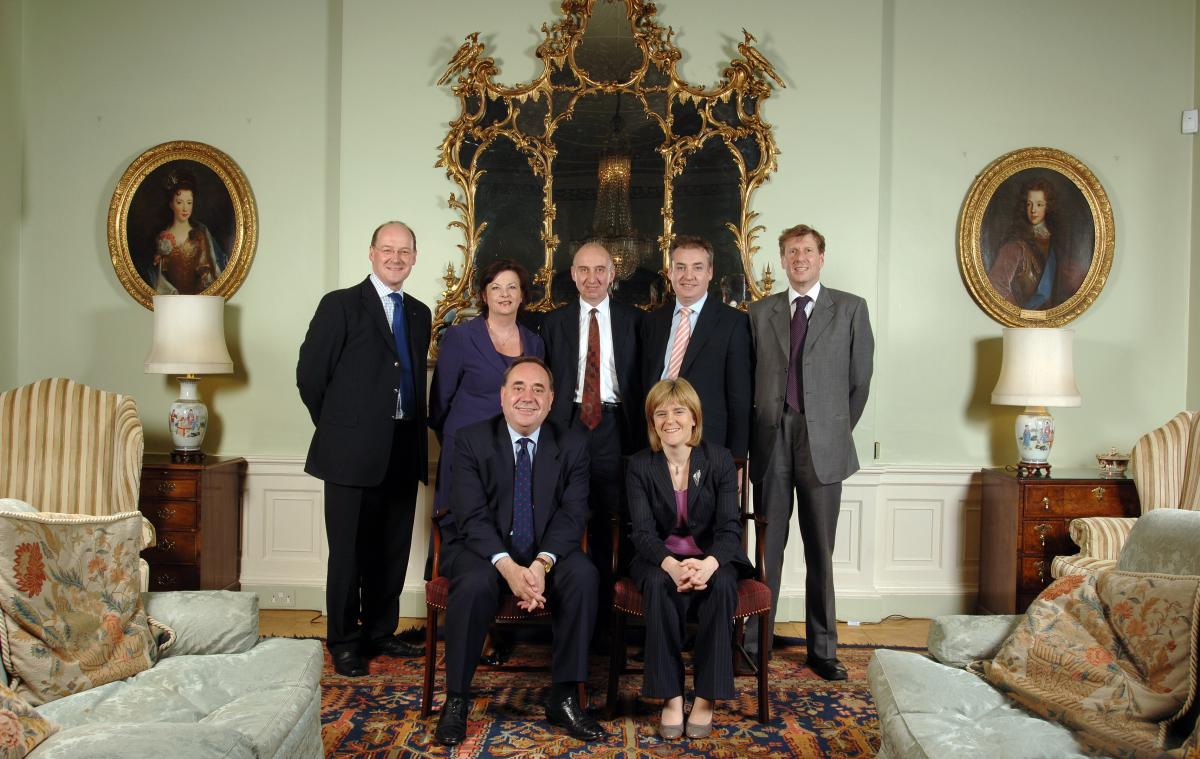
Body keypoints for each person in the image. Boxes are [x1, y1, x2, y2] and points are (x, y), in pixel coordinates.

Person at [434, 357, 603, 746]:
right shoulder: (471, 439)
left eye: (538, 389)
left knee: (583, 576)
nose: (528, 397)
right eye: (519, 388)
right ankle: (457, 699)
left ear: (551, 400)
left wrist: (542, 563)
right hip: (482, 550)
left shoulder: (573, 442)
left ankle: (563, 697)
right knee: (475, 584)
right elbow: (471, 515)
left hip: (546, 551)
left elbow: (573, 512)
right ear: (503, 395)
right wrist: (508, 567)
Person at [296, 221, 430, 678]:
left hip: (403, 445)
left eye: (405, 251)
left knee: (391, 550)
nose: (396, 258)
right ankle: (345, 641)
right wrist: (339, 428)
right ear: (371, 253)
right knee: (349, 553)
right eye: (388, 249)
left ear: (414, 257)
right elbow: (310, 377)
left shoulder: (419, 313)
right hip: (350, 451)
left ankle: (380, 631)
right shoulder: (340, 306)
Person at [746, 224, 873, 680]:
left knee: (821, 550)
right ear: (781, 260)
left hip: (824, 442)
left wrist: (831, 430)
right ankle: (753, 646)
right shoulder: (759, 312)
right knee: (768, 550)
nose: (799, 258)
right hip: (771, 438)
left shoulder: (851, 309)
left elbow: (859, 383)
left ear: (821, 257)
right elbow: (749, 379)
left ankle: (823, 650)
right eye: (791, 252)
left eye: (807, 251)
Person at [625, 378, 752, 740]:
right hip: (659, 559)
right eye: (660, 413)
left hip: (712, 557)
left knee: (724, 583)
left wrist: (708, 564)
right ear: (652, 422)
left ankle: (706, 696)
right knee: (655, 584)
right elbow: (643, 533)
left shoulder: (719, 460)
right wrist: (672, 565)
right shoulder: (640, 466)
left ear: (694, 418)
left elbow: (730, 529)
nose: (670, 420)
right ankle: (671, 695)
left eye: (679, 411)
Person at [540, 242, 642, 648]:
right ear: (573, 273)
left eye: (600, 270)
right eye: (584, 270)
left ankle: (606, 619)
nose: (592, 278)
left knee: (614, 519)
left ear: (613, 274)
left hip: (618, 426)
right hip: (569, 426)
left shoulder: (636, 321)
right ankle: (565, 613)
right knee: (567, 514)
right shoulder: (553, 323)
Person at [430, 259, 544, 517]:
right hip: (464, 449)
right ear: (484, 294)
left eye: (512, 287)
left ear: (522, 295)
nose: (505, 294)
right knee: (459, 523)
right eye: (496, 287)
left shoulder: (535, 343)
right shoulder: (460, 337)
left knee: (505, 526)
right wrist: (454, 438)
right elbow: (440, 400)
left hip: (514, 451)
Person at [640, 234, 752, 460]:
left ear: (710, 272)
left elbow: (740, 399)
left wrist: (738, 460)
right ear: (670, 272)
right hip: (656, 443)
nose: (688, 276)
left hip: (709, 447)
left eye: (697, 267)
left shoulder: (734, 323)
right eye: (680, 267)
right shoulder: (653, 322)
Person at [987, 178, 1085, 310]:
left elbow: (1075, 278)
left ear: (1048, 206)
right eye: (1029, 204)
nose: (1033, 210)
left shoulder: (1057, 242)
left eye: (1039, 204)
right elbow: (997, 284)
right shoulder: (1015, 245)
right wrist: (1020, 315)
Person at [149, 169, 227, 294]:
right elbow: (157, 277)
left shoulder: (199, 235)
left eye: (189, 203)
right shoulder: (161, 237)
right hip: (170, 302)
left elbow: (206, 274)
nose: (185, 208)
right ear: (171, 204)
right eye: (179, 202)